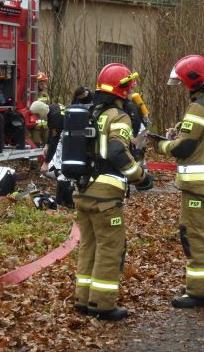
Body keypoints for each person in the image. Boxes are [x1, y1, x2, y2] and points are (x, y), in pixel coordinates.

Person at [73, 63, 153, 321]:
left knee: (89, 246)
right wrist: (140, 177)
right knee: (110, 248)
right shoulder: (118, 117)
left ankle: (83, 300)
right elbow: (118, 152)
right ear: (123, 90)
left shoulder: (89, 113)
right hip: (105, 195)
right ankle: (103, 305)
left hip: (83, 190)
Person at [149, 54, 204, 308]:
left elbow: (184, 147)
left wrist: (160, 144)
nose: (183, 87)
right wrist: (182, 129)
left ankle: (199, 291)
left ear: (193, 80)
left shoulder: (198, 106)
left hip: (197, 184)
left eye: (184, 82)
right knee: (203, 232)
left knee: (193, 234)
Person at [29, 100, 66, 174]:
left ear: (41, 111)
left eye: (37, 115)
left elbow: (54, 142)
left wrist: (46, 163)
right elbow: (51, 130)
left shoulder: (55, 117)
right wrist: (47, 144)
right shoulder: (53, 107)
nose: (37, 117)